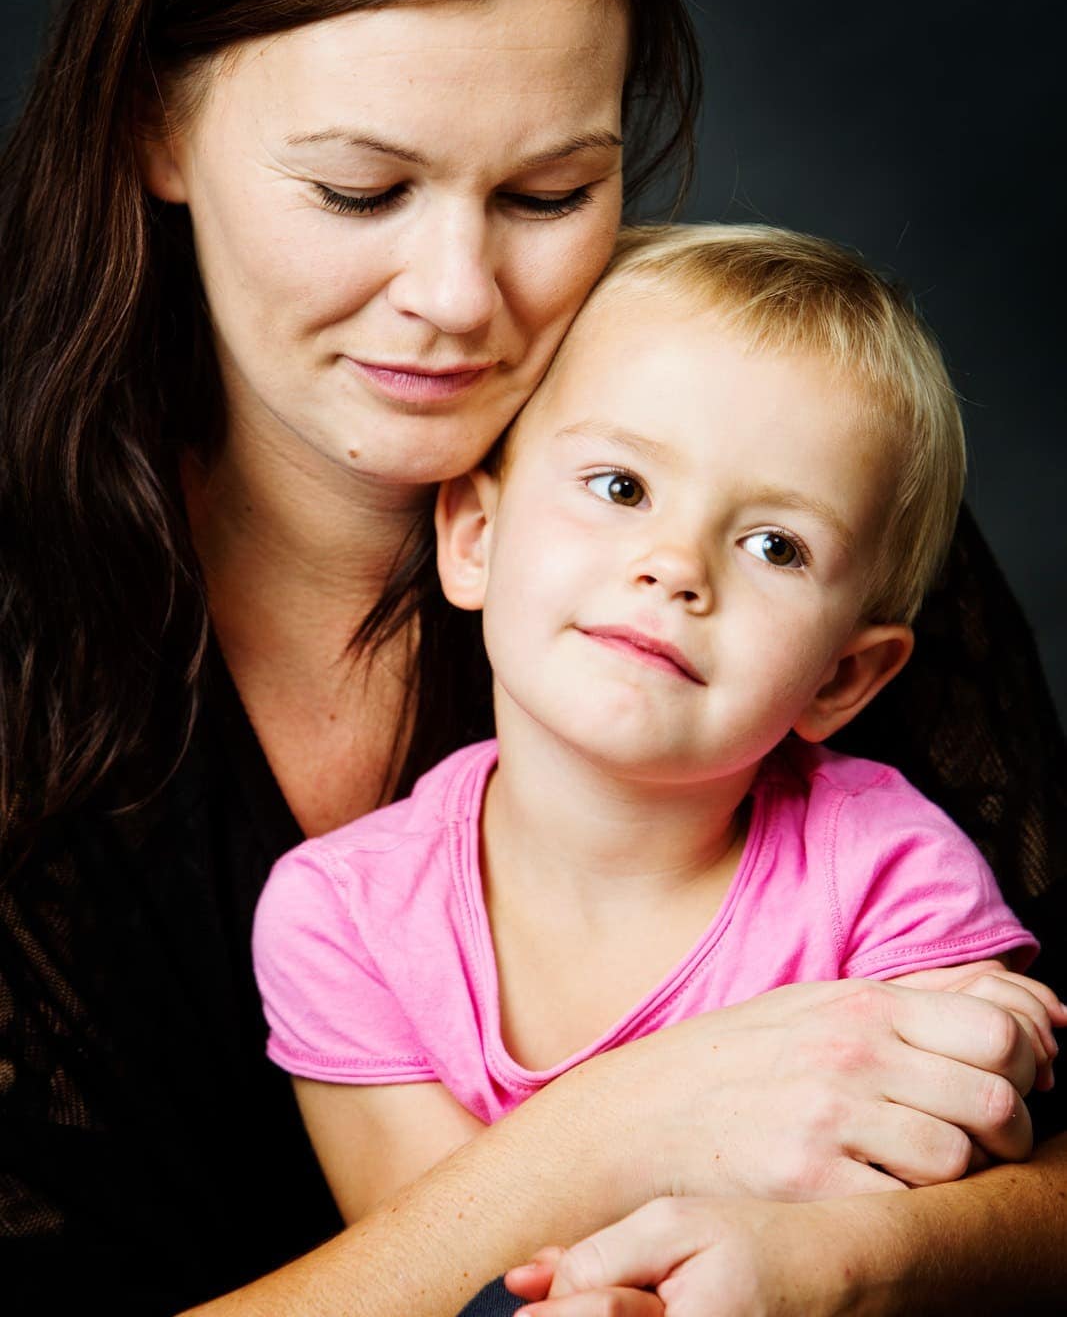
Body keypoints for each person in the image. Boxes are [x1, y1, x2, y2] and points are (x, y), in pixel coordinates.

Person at [0, 0, 1063, 1314]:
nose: (453, 298)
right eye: (359, 189)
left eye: (549, 195)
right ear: (156, 125)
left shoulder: (782, 507)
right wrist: (634, 1125)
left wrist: (846, 1261)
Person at [251, 222, 1060, 1235]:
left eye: (773, 543)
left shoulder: (887, 874)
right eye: (621, 486)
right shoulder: (344, 918)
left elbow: (946, 1200)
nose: (675, 564)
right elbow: (436, 1267)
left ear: (842, 676)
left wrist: (993, 1039)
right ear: (474, 538)